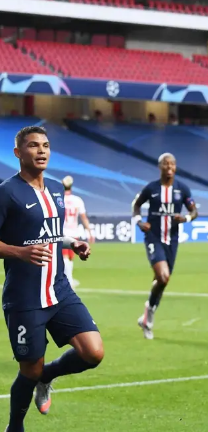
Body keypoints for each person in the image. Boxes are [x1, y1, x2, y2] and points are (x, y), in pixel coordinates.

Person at [1, 126, 103, 431]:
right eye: (33, 146)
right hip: (25, 298)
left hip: (59, 291)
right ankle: (14, 427)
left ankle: (49, 375)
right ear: (18, 153)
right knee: (29, 370)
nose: (41, 150)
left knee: (93, 352)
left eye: (45, 145)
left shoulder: (57, 189)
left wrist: (72, 243)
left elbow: (50, 233)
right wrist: (19, 253)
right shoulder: (6, 192)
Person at [132, 153, 198, 340]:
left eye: (172, 164)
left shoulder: (182, 189)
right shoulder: (152, 188)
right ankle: (149, 317)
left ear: (175, 167)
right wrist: (139, 222)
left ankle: (146, 317)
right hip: (153, 236)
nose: (169, 167)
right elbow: (136, 205)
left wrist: (185, 218)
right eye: (165, 164)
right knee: (163, 276)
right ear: (159, 166)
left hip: (172, 240)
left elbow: (194, 211)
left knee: (162, 282)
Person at [60, 176, 94, 289]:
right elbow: (83, 218)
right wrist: (89, 231)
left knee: (65, 258)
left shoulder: (58, 198)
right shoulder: (77, 200)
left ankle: (68, 279)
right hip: (74, 232)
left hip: (62, 232)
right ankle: (69, 280)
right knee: (69, 258)